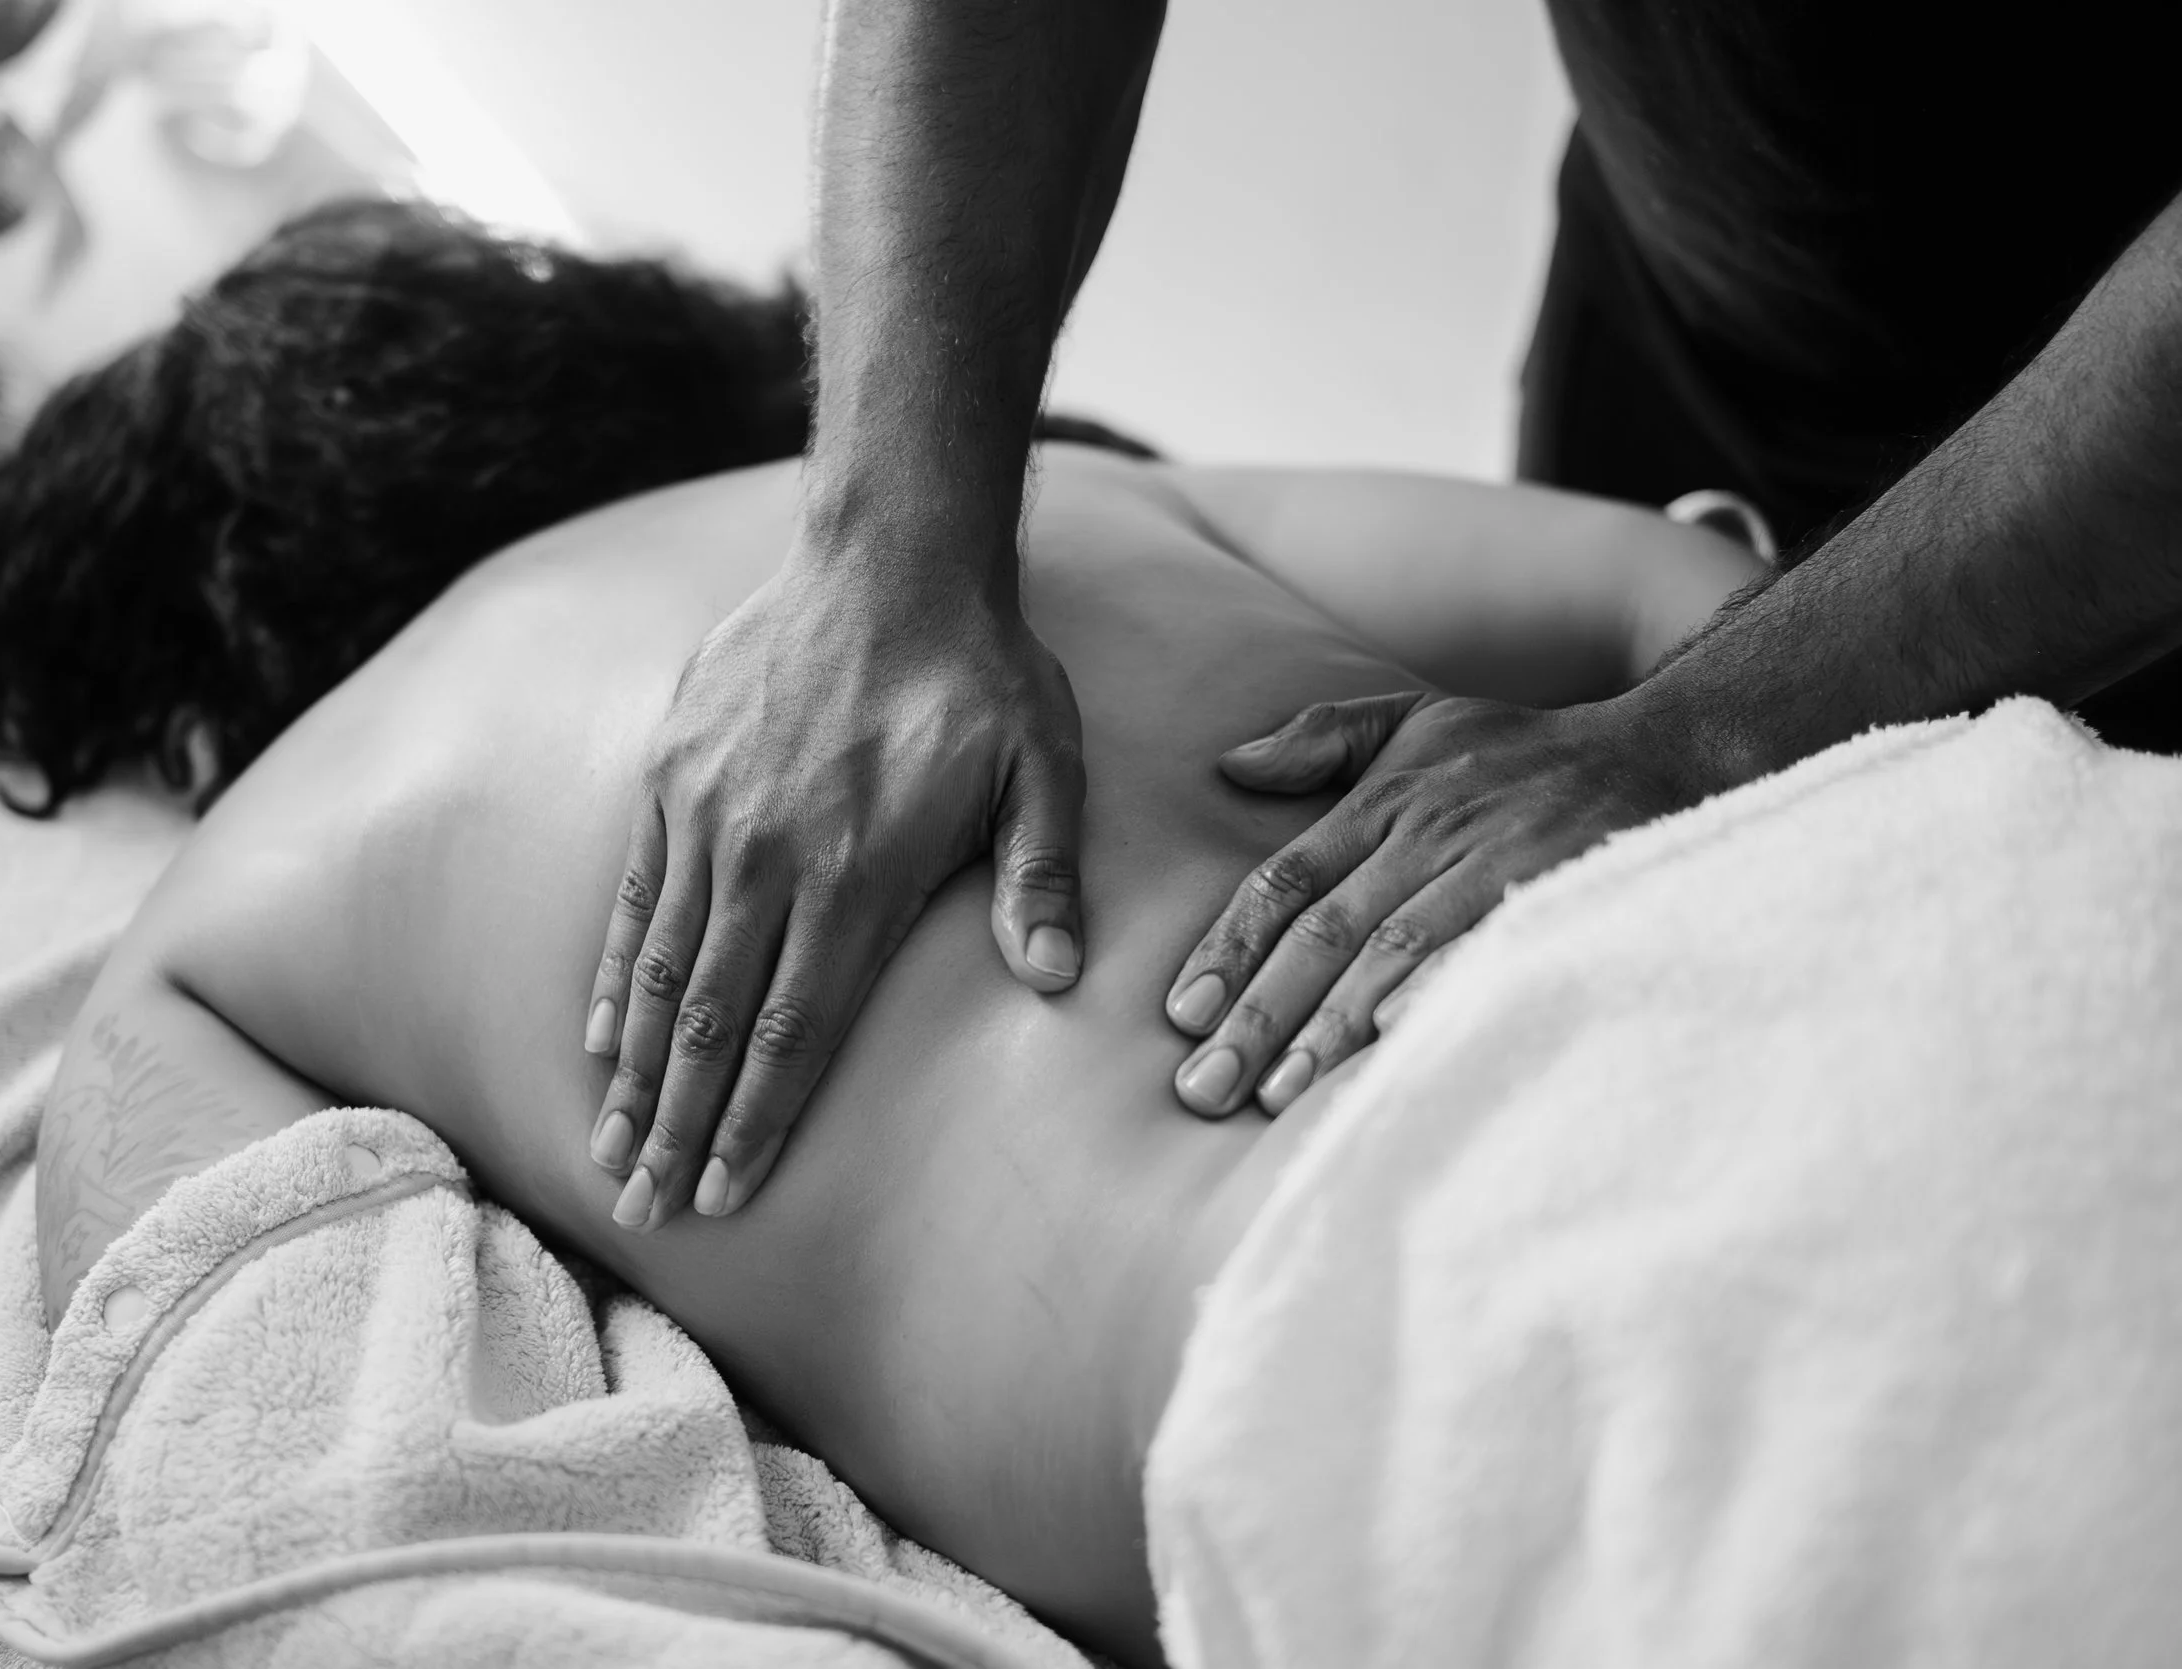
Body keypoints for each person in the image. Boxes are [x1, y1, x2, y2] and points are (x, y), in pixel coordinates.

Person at [32, 442, 1760, 1669]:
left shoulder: (234, 915)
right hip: (1850, 926)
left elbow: (263, 1519)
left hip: (1437, 1388)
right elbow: (1675, 585)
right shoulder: (1075, 488)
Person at [594, 1, 2182, 1225]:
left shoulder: (355, 808)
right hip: (1704, 298)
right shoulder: (1072, 526)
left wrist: (1716, 724)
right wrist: (890, 536)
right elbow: (1652, 592)